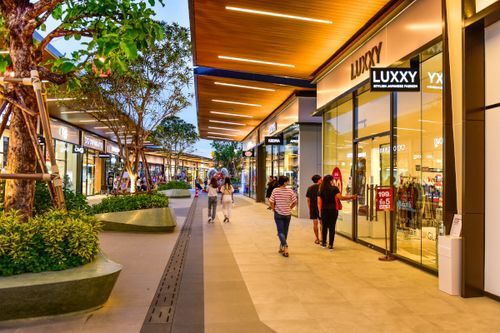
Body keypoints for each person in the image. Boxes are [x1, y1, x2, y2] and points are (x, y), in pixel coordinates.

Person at [317, 174, 357, 250]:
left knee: (324, 227)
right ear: (330, 181)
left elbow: (319, 203)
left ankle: (323, 243)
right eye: (332, 180)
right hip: (333, 210)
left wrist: (320, 212)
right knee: (332, 227)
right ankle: (331, 245)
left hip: (324, 210)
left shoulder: (320, 190)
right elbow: (341, 198)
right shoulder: (334, 189)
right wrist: (351, 197)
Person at [269, 176, 297, 258]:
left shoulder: (275, 190)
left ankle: (285, 246)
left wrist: (274, 208)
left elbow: (271, 201)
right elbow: (295, 201)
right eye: (287, 181)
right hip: (287, 214)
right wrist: (290, 207)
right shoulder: (290, 191)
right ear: (284, 182)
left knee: (280, 232)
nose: (288, 182)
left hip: (278, 213)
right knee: (285, 232)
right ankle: (282, 247)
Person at [306, 174, 323, 244]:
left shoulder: (310, 188)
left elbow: (308, 200)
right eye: (321, 179)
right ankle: (322, 238)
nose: (322, 180)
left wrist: (310, 208)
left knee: (315, 223)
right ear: (318, 180)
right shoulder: (322, 187)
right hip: (321, 207)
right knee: (322, 223)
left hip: (313, 207)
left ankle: (317, 239)